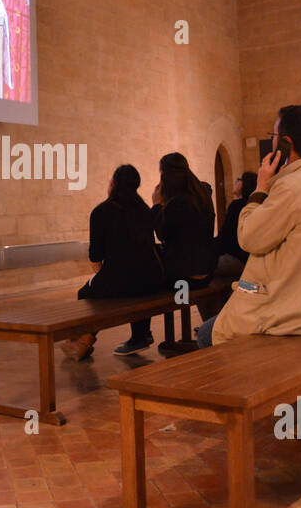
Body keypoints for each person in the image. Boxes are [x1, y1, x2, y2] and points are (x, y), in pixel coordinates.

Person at [198, 105, 301, 348]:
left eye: (274, 137)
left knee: (207, 333)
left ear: (285, 143)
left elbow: (248, 237)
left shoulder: (290, 187)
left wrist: (261, 187)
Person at [116, 153, 217, 355]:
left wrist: (156, 204)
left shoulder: (178, 202)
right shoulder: (202, 196)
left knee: (138, 274)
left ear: (166, 175)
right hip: (206, 273)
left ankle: (140, 336)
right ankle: (147, 336)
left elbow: (162, 234)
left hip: (184, 280)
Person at [61, 165, 167, 360]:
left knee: (85, 293)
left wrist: (103, 276)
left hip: (121, 279)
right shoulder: (144, 209)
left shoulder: (101, 211)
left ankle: (82, 343)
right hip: (152, 278)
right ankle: (140, 334)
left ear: (113, 183)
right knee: (137, 284)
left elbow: (95, 254)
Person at [214, 171, 256, 274]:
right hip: (249, 258)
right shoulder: (255, 204)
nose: (235, 182)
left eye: (238, 180)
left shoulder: (237, 206)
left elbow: (226, 236)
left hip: (238, 259)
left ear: (243, 184)